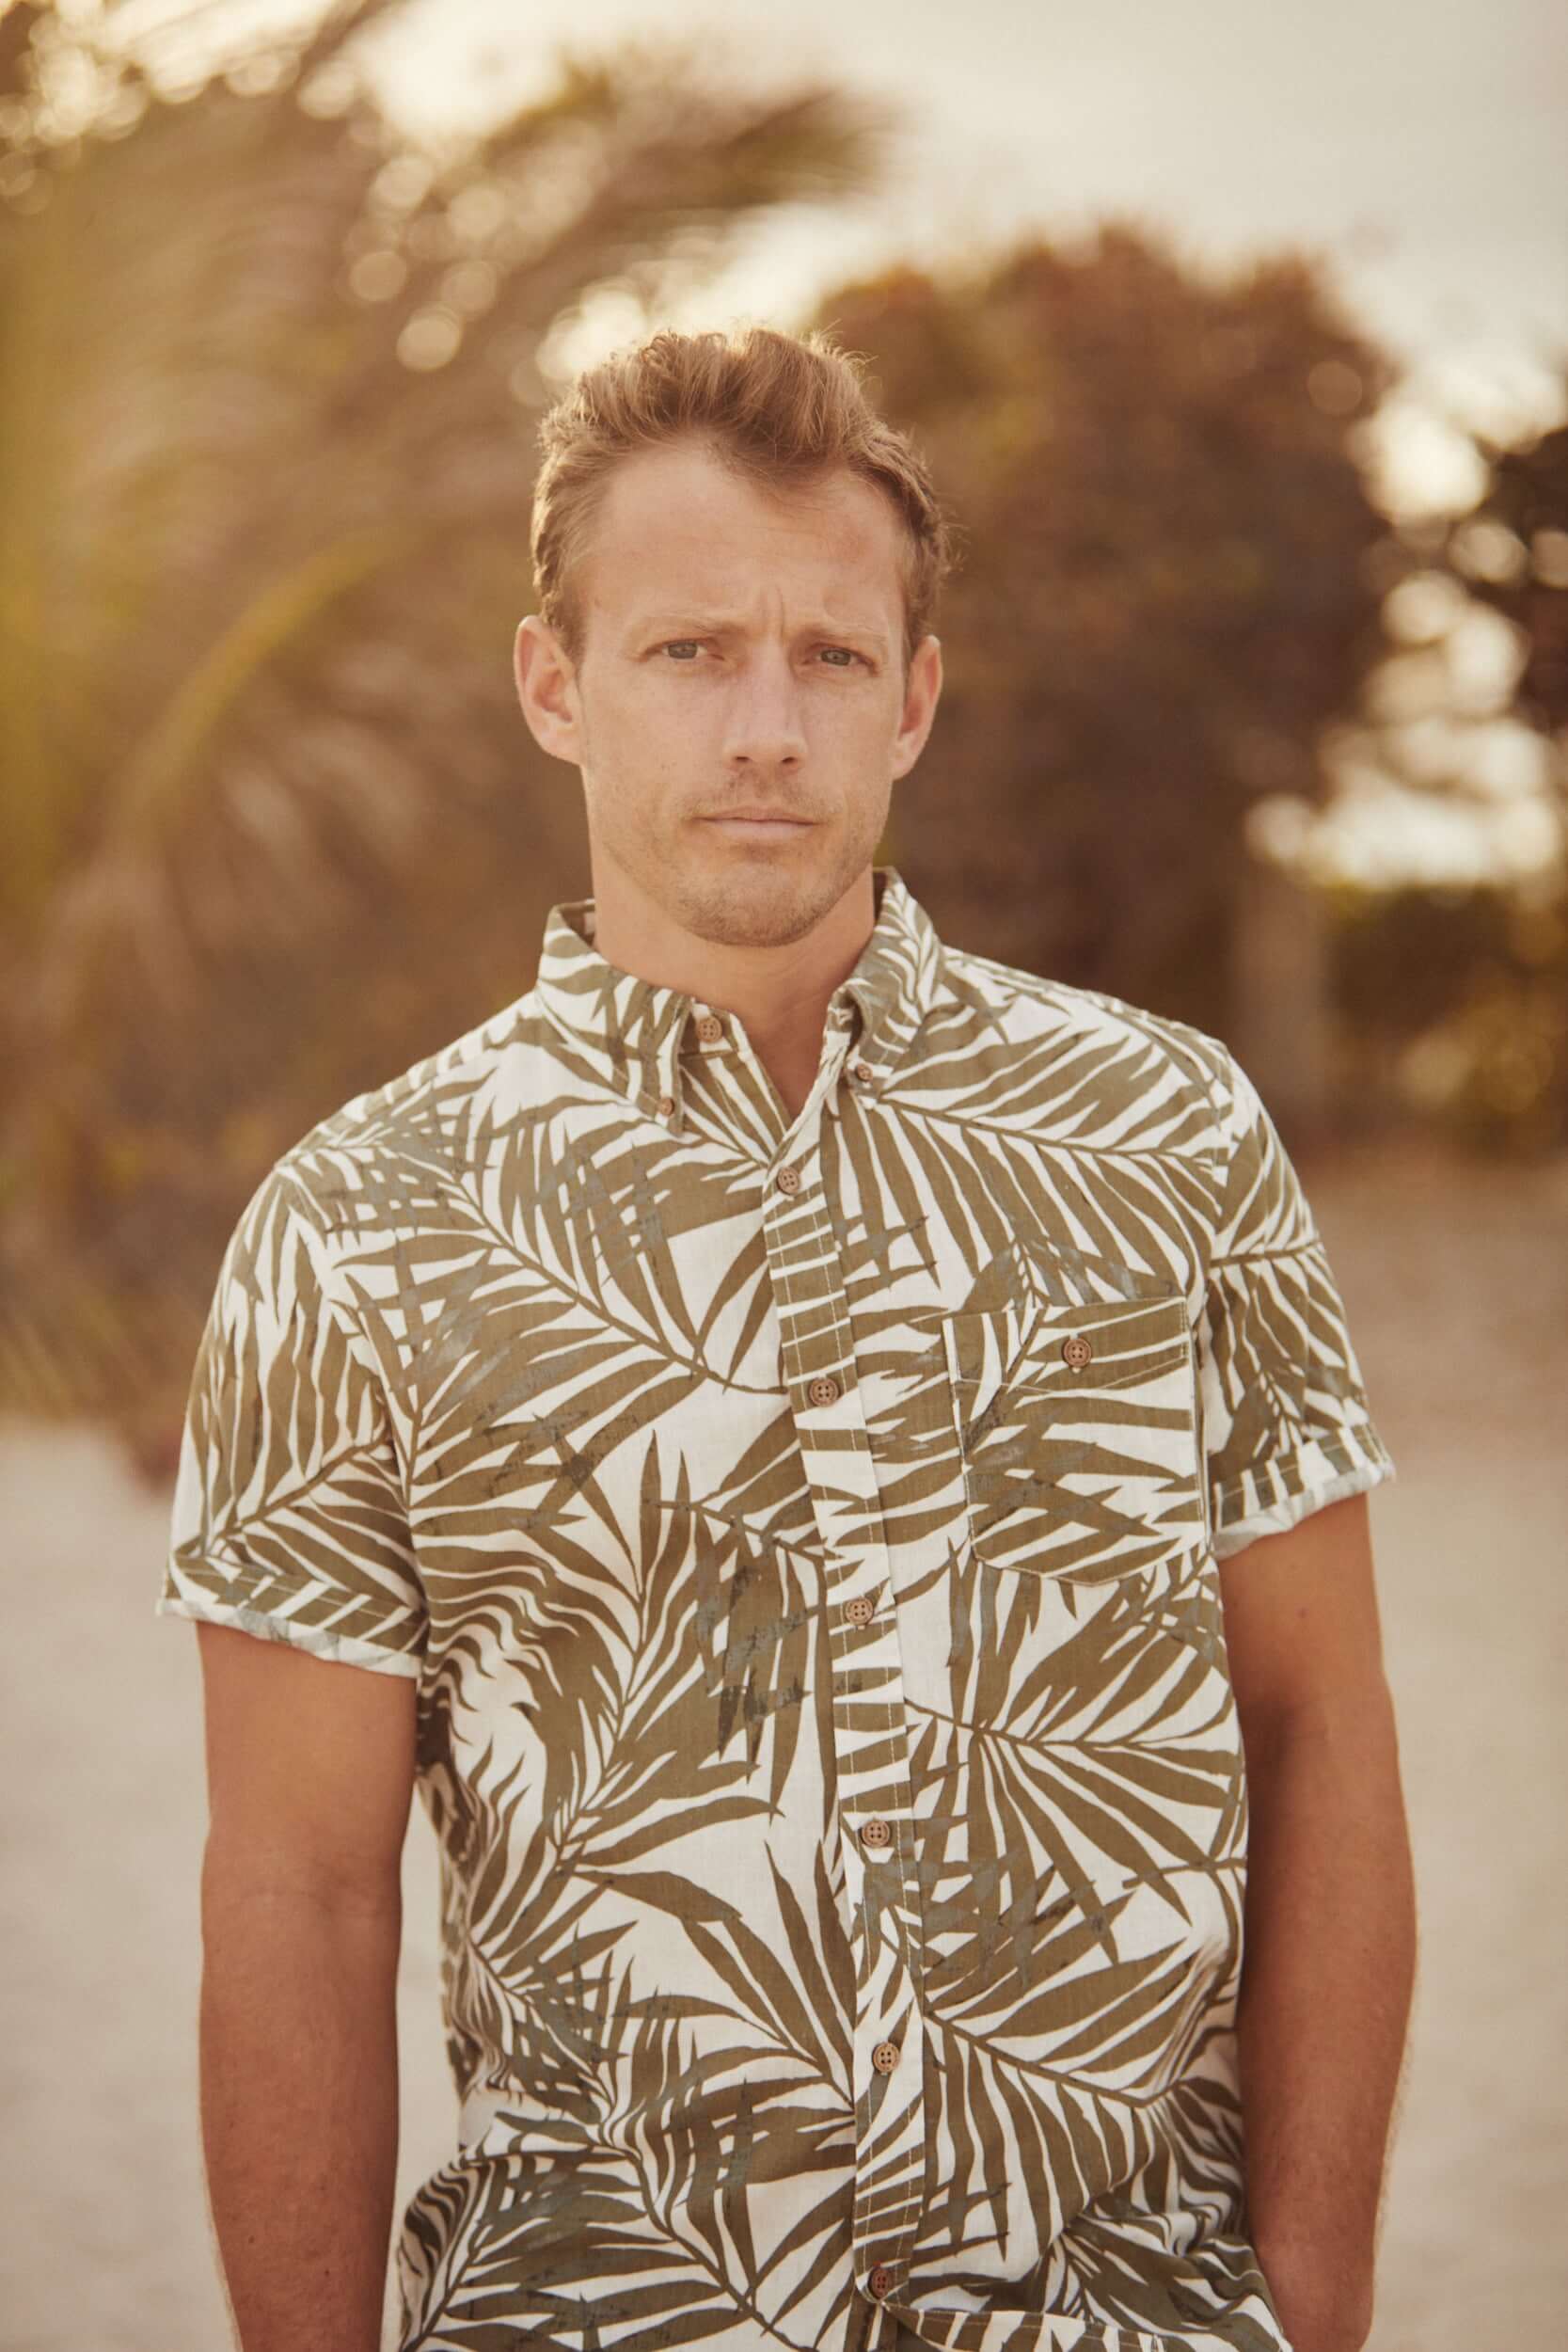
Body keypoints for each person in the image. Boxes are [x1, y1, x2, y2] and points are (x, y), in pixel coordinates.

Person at [158, 323, 1416, 2352]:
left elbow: (1324, 1728)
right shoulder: (355, 1229)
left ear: (914, 700)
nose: (767, 726)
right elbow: (299, 1891)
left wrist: (1314, 2296)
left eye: (830, 656)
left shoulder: (1167, 1132)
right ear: (552, 685)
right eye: (688, 651)